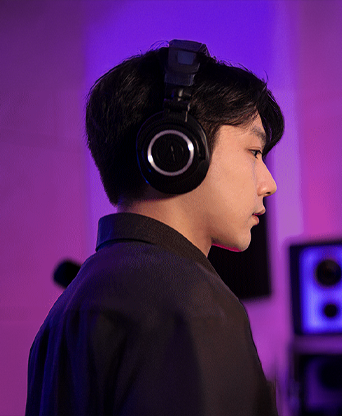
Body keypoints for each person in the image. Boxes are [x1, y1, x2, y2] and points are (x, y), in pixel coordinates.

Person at [25, 39, 284, 415]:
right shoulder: (194, 308)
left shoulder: (66, 311)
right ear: (175, 152)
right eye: (255, 152)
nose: (269, 183)